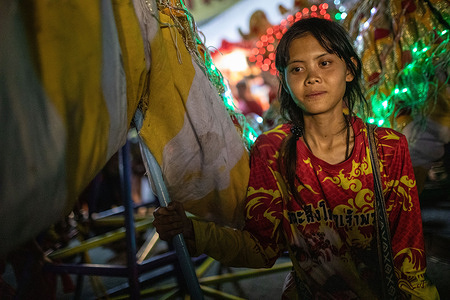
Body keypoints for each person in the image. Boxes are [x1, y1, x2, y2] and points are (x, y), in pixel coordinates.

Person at [153, 18, 439, 299]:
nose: (312, 77)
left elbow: (408, 257)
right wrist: (192, 230)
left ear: (349, 69)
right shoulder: (272, 150)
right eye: (297, 68)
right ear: (286, 80)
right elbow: (260, 248)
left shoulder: (388, 148)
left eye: (324, 63)